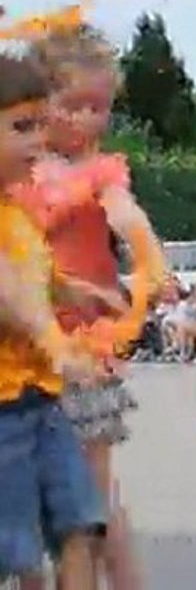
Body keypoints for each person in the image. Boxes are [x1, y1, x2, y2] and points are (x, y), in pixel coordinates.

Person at [14, 25, 167, 590]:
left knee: (96, 500)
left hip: (86, 353)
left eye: (99, 108)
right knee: (32, 501)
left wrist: (152, 264)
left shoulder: (101, 172)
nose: (85, 121)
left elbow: (127, 216)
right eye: (71, 106)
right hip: (26, 356)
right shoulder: (15, 172)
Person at [0, 54, 106, 590]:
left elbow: (33, 270)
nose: (37, 139)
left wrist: (73, 290)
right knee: (14, 552)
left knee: (79, 524)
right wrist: (53, 340)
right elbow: (6, 290)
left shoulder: (15, 208)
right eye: (21, 127)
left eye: (41, 124)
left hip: (41, 398)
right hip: (3, 408)